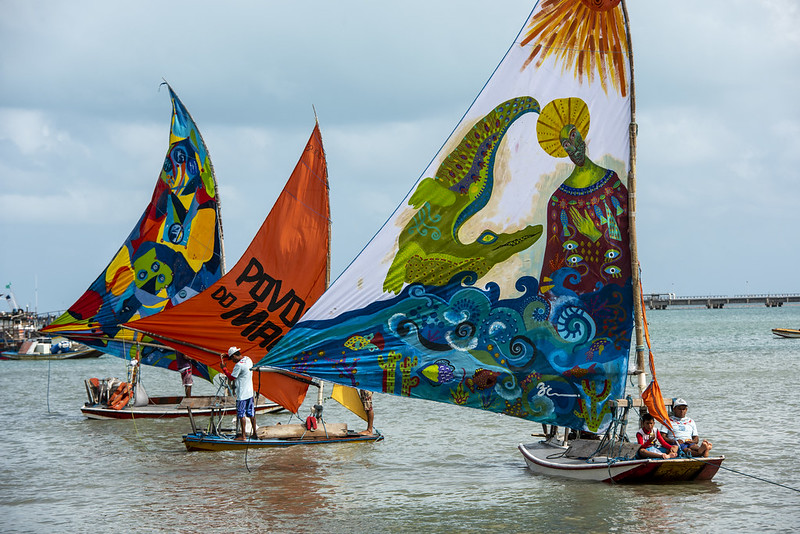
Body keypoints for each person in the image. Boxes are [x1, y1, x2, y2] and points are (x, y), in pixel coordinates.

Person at [219, 346, 258, 440]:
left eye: (232, 358)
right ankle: (255, 434)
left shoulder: (238, 366)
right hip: (249, 393)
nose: (232, 360)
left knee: (241, 415)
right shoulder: (248, 359)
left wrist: (224, 369)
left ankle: (243, 436)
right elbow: (236, 356)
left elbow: (232, 377)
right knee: (251, 414)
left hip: (242, 394)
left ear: (234, 356)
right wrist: (228, 355)